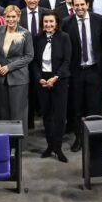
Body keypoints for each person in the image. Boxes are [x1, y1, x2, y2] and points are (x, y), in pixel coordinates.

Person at [61, 0, 102, 151]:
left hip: (94, 70)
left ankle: (93, 140)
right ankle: (79, 138)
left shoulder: (98, 19)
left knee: (94, 107)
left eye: (82, 4)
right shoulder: (67, 23)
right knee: (77, 107)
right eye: (76, 5)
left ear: (87, 4)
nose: (79, 8)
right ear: (72, 7)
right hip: (76, 72)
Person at [33, 11, 71, 162]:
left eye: (51, 22)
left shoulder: (64, 38)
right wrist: (39, 78)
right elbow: (35, 62)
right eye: (46, 22)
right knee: (47, 115)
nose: (48, 24)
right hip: (43, 81)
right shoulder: (37, 39)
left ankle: (58, 147)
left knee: (60, 116)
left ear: (56, 23)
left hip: (59, 80)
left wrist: (56, 77)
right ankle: (50, 146)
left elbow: (67, 61)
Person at [0, 6, 34, 137]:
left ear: (18, 18)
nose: (10, 19)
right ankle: (5, 143)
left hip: (18, 79)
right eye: (8, 17)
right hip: (1, 78)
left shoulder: (25, 33)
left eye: (13, 17)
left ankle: (19, 144)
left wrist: (9, 67)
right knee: (3, 113)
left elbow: (29, 56)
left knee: (18, 113)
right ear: (3, 18)